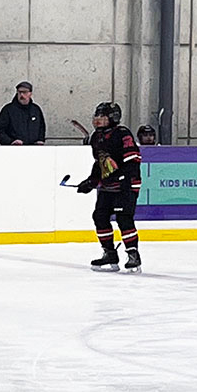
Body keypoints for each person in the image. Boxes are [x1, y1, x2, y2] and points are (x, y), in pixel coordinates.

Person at [75, 102, 142, 273]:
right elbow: (100, 163)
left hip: (126, 184)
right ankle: (110, 254)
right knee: (99, 216)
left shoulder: (122, 134)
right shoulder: (96, 137)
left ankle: (133, 254)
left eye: (102, 117)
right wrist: (91, 182)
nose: (98, 120)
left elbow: (133, 160)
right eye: (97, 117)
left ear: (113, 118)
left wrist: (125, 181)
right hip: (107, 185)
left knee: (124, 218)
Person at [0, 81, 45, 145]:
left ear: (30, 94)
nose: (22, 95)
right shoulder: (8, 110)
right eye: (19, 92)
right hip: (13, 150)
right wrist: (10, 142)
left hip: (33, 149)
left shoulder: (36, 110)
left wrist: (40, 140)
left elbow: (41, 128)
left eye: (25, 92)